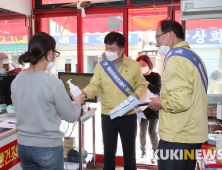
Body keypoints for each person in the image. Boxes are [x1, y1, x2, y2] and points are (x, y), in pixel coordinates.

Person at [11, 32, 85, 170]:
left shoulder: (16, 80)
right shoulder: (53, 83)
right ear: (49, 53)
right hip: (47, 147)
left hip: (23, 147)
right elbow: (71, 116)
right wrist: (77, 101)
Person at [149, 20, 208, 170]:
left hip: (177, 135)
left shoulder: (176, 59)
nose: (156, 44)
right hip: (191, 133)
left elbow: (181, 101)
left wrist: (159, 104)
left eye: (157, 37)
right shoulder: (193, 57)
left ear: (170, 35)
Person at [83, 32, 147, 170]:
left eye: (112, 49)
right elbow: (94, 85)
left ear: (121, 50)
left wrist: (137, 94)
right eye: (106, 48)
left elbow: (142, 85)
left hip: (128, 115)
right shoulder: (101, 66)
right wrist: (85, 92)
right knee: (109, 154)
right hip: (108, 115)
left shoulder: (133, 65)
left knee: (129, 154)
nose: (108, 52)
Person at [136, 55, 161, 163]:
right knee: (142, 132)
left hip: (153, 107)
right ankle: (143, 153)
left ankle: (155, 154)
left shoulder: (156, 76)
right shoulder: (136, 77)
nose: (141, 67)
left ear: (149, 65)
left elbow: (158, 90)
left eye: (143, 65)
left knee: (152, 131)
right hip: (140, 108)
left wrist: (147, 84)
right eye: (139, 65)